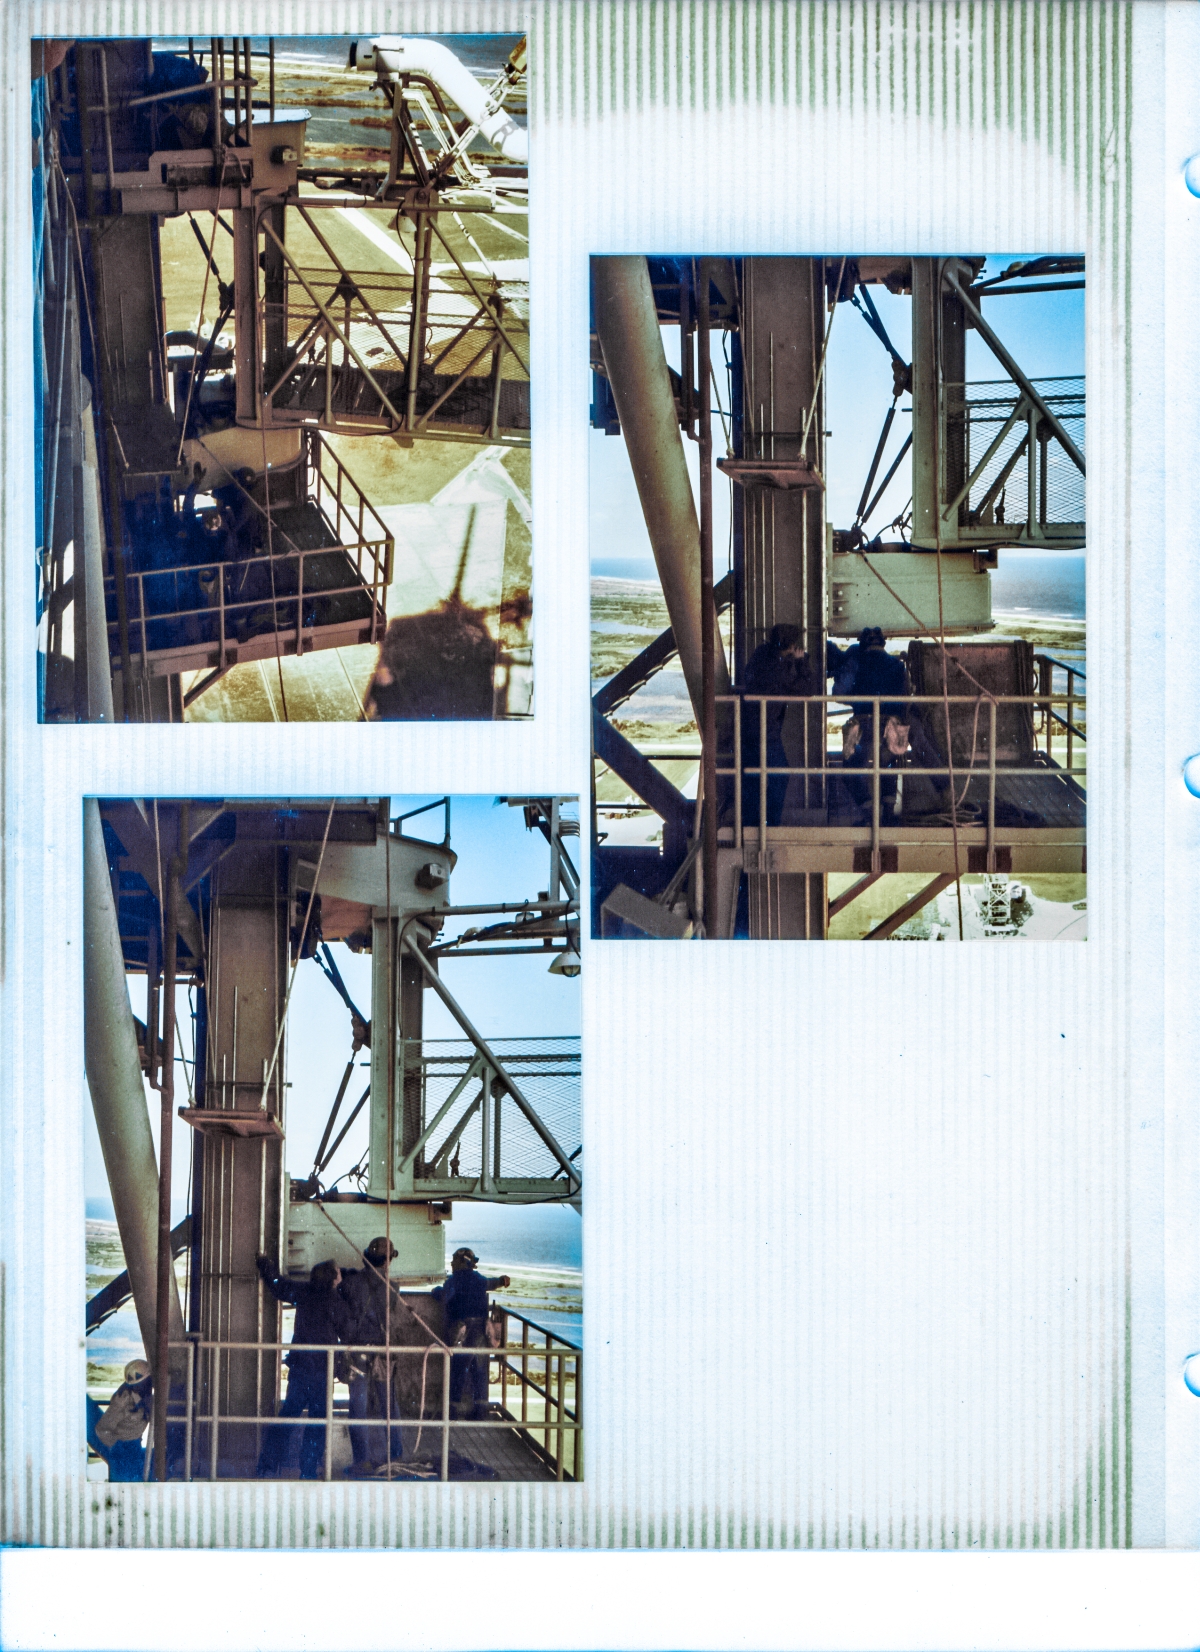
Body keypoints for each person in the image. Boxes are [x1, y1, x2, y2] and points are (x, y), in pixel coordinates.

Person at [255, 1255, 350, 1480]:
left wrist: (265, 1265)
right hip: (322, 1371)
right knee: (317, 1421)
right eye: (338, 1272)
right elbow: (348, 1331)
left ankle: (266, 1465)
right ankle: (307, 1470)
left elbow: (278, 1286)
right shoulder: (336, 1302)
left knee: (288, 1415)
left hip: (300, 1369)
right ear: (333, 1279)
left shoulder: (305, 1293)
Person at [844, 628, 949, 815]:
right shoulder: (896, 664)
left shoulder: (856, 663)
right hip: (893, 727)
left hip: (865, 726)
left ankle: (866, 805)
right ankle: (894, 806)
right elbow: (905, 695)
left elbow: (840, 692)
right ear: (883, 644)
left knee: (850, 765)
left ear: (863, 645)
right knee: (889, 758)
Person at [740, 623, 818, 825]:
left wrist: (787, 658)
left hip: (748, 730)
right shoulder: (779, 668)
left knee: (753, 779)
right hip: (766, 732)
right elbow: (806, 690)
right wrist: (801, 663)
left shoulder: (760, 656)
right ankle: (771, 824)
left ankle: (749, 825)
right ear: (790, 646)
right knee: (779, 775)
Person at [339, 1237, 405, 1468]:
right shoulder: (393, 1289)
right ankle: (396, 1455)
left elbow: (346, 1290)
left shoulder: (350, 1284)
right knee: (389, 1405)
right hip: (382, 1352)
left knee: (358, 1407)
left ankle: (362, 1460)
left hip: (358, 1351)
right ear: (387, 1262)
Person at [432, 1248, 511, 1421]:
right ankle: (480, 1411)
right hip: (481, 1331)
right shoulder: (480, 1280)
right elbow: (493, 1283)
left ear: (462, 1263)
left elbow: (445, 1296)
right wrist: (502, 1280)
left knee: (457, 1370)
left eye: (454, 1261)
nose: (452, 1264)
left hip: (462, 1331)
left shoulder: (454, 1280)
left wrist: (435, 1291)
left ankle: (451, 1412)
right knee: (480, 1370)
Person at [87, 1359, 153, 1482]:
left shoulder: (144, 1398)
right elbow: (102, 1429)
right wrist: (115, 1446)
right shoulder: (122, 1401)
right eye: (148, 1380)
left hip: (134, 1447)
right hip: (122, 1450)